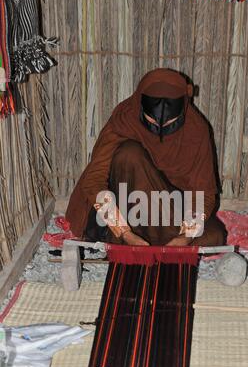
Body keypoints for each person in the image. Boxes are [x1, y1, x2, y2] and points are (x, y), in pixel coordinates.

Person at [66, 68, 226, 247]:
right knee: (129, 154)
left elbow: (202, 191)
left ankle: (154, 240)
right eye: (152, 121)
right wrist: (124, 231)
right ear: (140, 104)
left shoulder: (196, 129)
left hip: (170, 207)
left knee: (215, 237)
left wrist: (187, 235)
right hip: (127, 206)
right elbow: (94, 179)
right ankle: (128, 238)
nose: (160, 128)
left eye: (170, 123)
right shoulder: (125, 119)